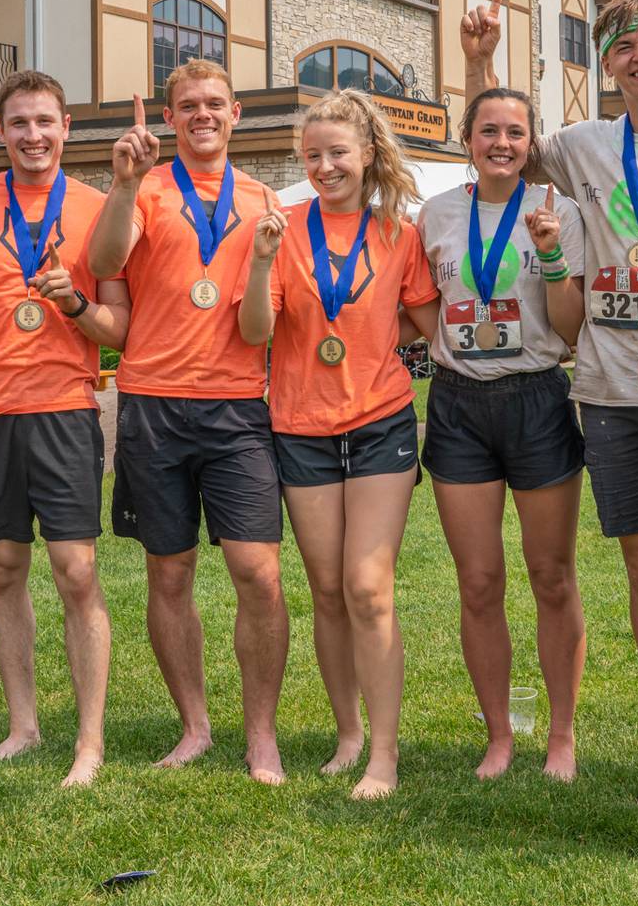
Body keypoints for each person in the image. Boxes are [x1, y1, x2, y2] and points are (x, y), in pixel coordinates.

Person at [462, 0, 638, 813]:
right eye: (621, 46)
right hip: (615, 393)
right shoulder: (584, 145)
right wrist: (481, 56)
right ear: (608, 61)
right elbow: (499, 144)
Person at [86, 60, 289, 785]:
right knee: (167, 573)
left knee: (258, 575)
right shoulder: (147, 190)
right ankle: (196, 724)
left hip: (237, 409)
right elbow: (104, 258)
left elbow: (262, 325)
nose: (202, 114)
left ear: (237, 113)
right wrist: (123, 180)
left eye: (214, 103)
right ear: (169, 118)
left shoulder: (265, 200)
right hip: (153, 404)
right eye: (188, 106)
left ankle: (260, 734)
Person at [238, 90, 440, 800]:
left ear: (367, 155)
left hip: (381, 420)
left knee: (367, 587)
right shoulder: (281, 228)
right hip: (300, 426)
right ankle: (347, 732)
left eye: (338, 154)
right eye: (314, 155)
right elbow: (257, 332)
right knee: (326, 589)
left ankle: (383, 755)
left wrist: (376, 345)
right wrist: (261, 263)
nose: (325, 166)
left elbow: (423, 319)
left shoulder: (397, 232)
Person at [0, 70, 132, 785]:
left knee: (76, 571)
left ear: (67, 126)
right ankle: (23, 725)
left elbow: (118, 328)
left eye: (44, 120)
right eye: (18, 122)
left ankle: (90, 740)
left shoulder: (96, 207)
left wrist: (73, 300)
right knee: (2, 568)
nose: (33, 135)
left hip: (65, 409)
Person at [417, 87, 589, 781]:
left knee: (552, 576)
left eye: (516, 132)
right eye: (489, 129)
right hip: (459, 403)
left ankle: (561, 735)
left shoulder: (561, 212)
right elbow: (422, 301)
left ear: (530, 143)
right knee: (480, 582)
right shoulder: (436, 214)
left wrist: (549, 256)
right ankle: (498, 736)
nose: (502, 142)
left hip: (537, 396)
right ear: (467, 138)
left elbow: (572, 327)